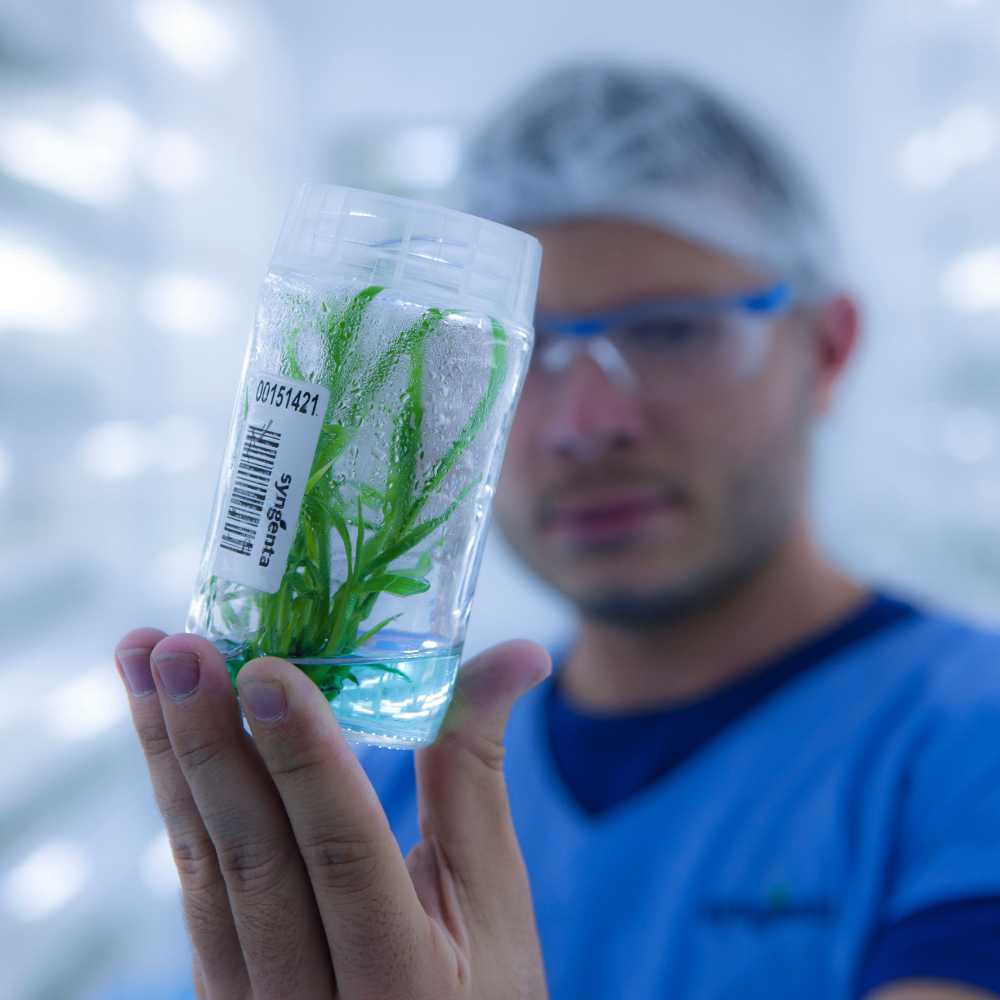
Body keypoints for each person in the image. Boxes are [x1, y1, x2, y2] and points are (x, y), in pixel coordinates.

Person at [115, 63, 1000, 1000]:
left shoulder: (964, 742)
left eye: (669, 331)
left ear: (827, 349)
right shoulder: (373, 778)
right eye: (518, 351)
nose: (584, 423)